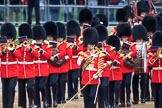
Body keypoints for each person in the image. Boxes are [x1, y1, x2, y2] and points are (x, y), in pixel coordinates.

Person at [77, 27, 100, 108]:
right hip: (85, 78)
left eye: (92, 44)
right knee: (86, 97)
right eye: (89, 44)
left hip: (94, 78)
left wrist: (97, 74)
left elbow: (100, 66)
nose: (90, 46)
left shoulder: (99, 54)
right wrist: (79, 60)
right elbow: (80, 60)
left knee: (92, 96)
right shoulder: (83, 54)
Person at [0, 22, 21, 108]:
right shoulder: (2, 47)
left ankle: (10, 106)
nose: (9, 40)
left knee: (11, 88)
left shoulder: (16, 46)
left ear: (13, 38)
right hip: (4, 71)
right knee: (5, 90)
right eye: (7, 38)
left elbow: (19, 55)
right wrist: (3, 51)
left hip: (13, 71)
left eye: (10, 38)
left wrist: (12, 50)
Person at [18, 23, 39, 108]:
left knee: (30, 87)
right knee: (21, 89)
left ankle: (31, 102)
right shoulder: (18, 46)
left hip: (30, 70)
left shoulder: (33, 46)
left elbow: (37, 55)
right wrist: (20, 46)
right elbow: (18, 55)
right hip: (20, 71)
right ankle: (23, 105)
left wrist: (29, 48)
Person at [117, 23, 137, 107]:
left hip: (128, 67)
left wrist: (127, 56)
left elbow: (134, 52)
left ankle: (128, 99)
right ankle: (122, 101)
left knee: (128, 83)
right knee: (121, 85)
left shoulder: (131, 44)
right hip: (121, 67)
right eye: (123, 37)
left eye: (126, 36)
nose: (125, 38)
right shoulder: (118, 44)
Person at [95, 24, 115, 108]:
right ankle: (101, 105)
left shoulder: (109, 48)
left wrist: (104, 52)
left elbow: (112, 58)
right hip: (98, 71)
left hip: (106, 70)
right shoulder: (95, 48)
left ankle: (106, 103)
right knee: (99, 88)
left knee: (104, 86)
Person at [33, 25, 52, 108]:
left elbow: (48, 56)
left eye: (39, 39)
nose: (38, 40)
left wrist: (41, 50)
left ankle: (44, 99)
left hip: (44, 69)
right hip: (35, 69)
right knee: (36, 88)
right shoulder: (32, 46)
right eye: (37, 39)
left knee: (42, 86)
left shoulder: (47, 46)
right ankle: (37, 104)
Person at [131, 25, 148, 104]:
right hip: (135, 67)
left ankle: (143, 97)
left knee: (144, 83)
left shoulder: (146, 45)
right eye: (138, 38)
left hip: (144, 67)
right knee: (135, 83)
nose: (139, 40)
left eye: (140, 39)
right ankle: (136, 98)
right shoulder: (132, 45)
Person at [43, 21, 58, 107]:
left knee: (53, 83)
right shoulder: (43, 45)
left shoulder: (56, 44)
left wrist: (56, 55)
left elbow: (62, 53)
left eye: (50, 37)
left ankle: (55, 98)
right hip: (46, 68)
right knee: (47, 85)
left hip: (54, 67)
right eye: (48, 36)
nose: (49, 38)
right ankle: (48, 101)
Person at [66, 20, 83, 100]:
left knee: (75, 78)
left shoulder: (79, 42)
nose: (73, 36)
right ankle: (70, 95)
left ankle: (75, 92)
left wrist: (75, 47)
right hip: (68, 63)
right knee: (69, 79)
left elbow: (82, 50)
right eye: (72, 35)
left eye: (74, 35)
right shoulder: (67, 42)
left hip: (76, 62)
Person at [142, 15, 157, 101]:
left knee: (154, 77)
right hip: (146, 59)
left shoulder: (155, 36)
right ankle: (146, 95)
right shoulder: (144, 37)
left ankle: (154, 94)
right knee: (145, 78)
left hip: (153, 58)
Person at [107, 35, 123, 108]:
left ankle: (117, 101)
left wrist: (117, 63)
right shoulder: (108, 54)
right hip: (110, 73)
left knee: (117, 88)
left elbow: (121, 64)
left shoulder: (119, 54)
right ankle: (111, 103)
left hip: (117, 74)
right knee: (110, 89)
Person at [148, 31, 162, 108]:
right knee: (156, 95)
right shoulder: (151, 51)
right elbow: (149, 64)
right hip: (155, 76)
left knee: (161, 93)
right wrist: (155, 58)